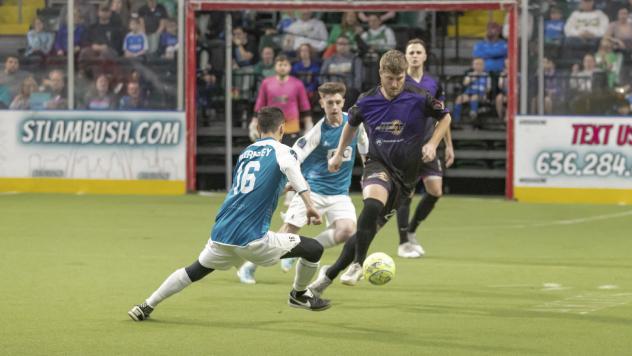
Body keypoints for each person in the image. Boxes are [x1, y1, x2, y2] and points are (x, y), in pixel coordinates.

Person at [128, 107, 331, 321]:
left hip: (222, 233)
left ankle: (146, 305)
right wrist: (309, 204)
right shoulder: (283, 151)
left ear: (258, 128)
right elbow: (294, 172)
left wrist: (283, 189)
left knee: (193, 271)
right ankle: (298, 294)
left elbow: (245, 190)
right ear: (282, 128)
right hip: (252, 239)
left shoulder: (246, 153)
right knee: (314, 249)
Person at [307, 50, 451, 296]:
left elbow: (445, 116)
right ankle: (357, 264)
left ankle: (329, 274)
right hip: (378, 164)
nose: (395, 84)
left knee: (368, 230)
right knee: (372, 205)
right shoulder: (366, 100)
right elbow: (350, 125)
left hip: (405, 179)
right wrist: (340, 153)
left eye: (399, 78)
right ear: (380, 74)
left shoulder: (418, 96)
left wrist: (433, 143)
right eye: (389, 78)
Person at [237, 82, 368, 284]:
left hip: (339, 193)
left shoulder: (354, 125)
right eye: (329, 102)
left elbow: (365, 148)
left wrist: (369, 172)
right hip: (312, 190)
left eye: (338, 102)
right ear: (322, 103)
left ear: (343, 102)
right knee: (287, 233)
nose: (334, 106)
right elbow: (293, 157)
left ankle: (302, 250)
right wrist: (288, 185)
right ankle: (249, 267)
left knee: (347, 230)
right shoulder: (318, 132)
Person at [395, 39, 454, 259]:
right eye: (411, 52)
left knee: (435, 191)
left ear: (425, 56)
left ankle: (411, 231)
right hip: (406, 146)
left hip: (429, 145)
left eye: (419, 52)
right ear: (405, 55)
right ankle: (402, 243)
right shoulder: (399, 81)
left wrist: (448, 145)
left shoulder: (434, 84)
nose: (415, 56)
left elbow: (443, 117)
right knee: (406, 193)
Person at [250, 54, 312, 147]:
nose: (282, 67)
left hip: (292, 128)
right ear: (275, 66)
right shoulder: (266, 83)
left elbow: (305, 106)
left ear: (290, 67)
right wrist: (253, 124)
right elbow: (260, 104)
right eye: (280, 64)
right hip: (271, 129)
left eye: (285, 65)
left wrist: (308, 126)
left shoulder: (297, 84)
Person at [453, 57, 492, 125]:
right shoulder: (470, 74)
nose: (478, 66)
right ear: (473, 65)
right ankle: (456, 120)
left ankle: (473, 116)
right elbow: (465, 83)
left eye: (480, 64)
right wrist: (473, 77)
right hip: (469, 93)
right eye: (476, 64)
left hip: (480, 95)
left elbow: (489, 88)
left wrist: (485, 93)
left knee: (475, 97)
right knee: (459, 99)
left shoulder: (486, 75)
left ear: (483, 66)